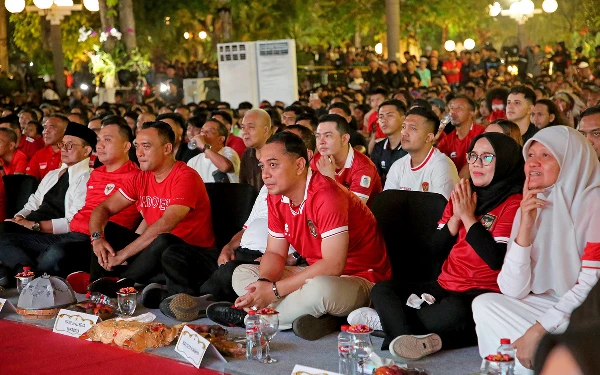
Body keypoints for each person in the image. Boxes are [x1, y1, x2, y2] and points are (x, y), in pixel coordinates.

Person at [207, 132, 391, 340]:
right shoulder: (276, 197)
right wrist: (264, 283)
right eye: (262, 166)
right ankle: (312, 317)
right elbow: (275, 252)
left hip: (358, 279)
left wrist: (274, 292)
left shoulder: (327, 195)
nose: (265, 174)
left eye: (273, 165)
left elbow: (333, 265)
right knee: (241, 273)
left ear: (299, 165)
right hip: (311, 273)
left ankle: (249, 318)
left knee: (321, 289)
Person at [358, 133, 524, 360]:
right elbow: (433, 251)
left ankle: (391, 323)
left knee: (453, 314)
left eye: (487, 158)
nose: (476, 163)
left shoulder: (514, 204)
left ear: (504, 161)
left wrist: (468, 217)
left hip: (481, 293)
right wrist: (455, 219)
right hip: (445, 284)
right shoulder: (463, 194)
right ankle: (408, 334)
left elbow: (495, 259)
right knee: (383, 290)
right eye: (473, 155)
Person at [149, 125, 317, 314]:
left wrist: (292, 257)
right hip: (242, 251)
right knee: (174, 254)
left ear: (304, 158)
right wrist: (229, 247)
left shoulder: (317, 192)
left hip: (267, 259)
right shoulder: (269, 187)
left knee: (231, 273)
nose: (267, 170)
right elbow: (247, 226)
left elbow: (318, 248)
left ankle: (194, 301)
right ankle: (189, 299)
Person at [472, 127, 600, 373]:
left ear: (570, 160)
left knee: (547, 334)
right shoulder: (533, 202)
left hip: (590, 311)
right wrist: (525, 229)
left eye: (545, 156)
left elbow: (591, 288)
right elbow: (512, 289)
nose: (533, 163)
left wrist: (538, 330)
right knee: (485, 305)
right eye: (530, 155)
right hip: (554, 304)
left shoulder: (593, 202)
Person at [87, 121, 216, 284]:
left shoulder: (185, 177)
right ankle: (96, 285)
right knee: (109, 230)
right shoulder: (141, 177)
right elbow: (103, 208)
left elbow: (166, 224)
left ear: (167, 149)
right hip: (156, 251)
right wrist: (97, 238)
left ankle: (120, 282)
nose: (139, 153)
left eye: (146, 146)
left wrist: (122, 255)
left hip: (189, 256)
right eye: (137, 146)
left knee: (163, 239)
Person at [0, 123, 96, 282]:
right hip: (33, 227)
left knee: (54, 253)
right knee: (4, 228)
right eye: (62, 144)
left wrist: (34, 225)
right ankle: (25, 272)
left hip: (57, 233)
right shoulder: (53, 174)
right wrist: (18, 218)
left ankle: (22, 273)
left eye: (70, 145)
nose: (64, 149)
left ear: (87, 150)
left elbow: (74, 221)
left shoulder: (89, 178)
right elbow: (33, 203)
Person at [384, 107, 459, 200]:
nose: (404, 133)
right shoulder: (398, 166)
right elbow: (387, 204)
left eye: (413, 128)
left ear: (428, 138)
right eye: (403, 127)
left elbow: (441, 210)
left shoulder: (442, 166)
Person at [311, 114, 382, 205]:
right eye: (318, 136)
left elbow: (354, 209)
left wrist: (330, 180)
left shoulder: (363, 167)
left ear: (344, 139)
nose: (321, 141)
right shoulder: (317, 159)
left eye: (328, 136)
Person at [437, 95, 485, 178]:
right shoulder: (447, 140)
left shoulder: (483, 133)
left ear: (471, 113)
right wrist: (433, 140)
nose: (453, 112)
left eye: (459, 108)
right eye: (451, 108)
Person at [186, 118, 240, 183]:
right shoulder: (193, 161)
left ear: (221, 139)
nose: (203, 134)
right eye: (202, 131)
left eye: (210, 131)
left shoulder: (228, 152)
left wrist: (204, 145)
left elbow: (225, 167)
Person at [370, 99, 408, 181]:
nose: (384, 120)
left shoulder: (413, 148)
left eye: (389, 115)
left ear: (403, 119)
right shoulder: (378, 148)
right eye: (381, 117)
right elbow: (374, 179)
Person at [25, 114, 69, 180]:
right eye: (45, 128)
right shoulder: (39, 154)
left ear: (65, 131)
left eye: (52, 127)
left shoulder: (73, 154)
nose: (46, 131)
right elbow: (29, 181)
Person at [239, 109, 272, 192]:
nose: (245, 132)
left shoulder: (280, 152)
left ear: (266, 130)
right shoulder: (247, 154)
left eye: (251, 127)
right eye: (243, 128)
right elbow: (244, 188)